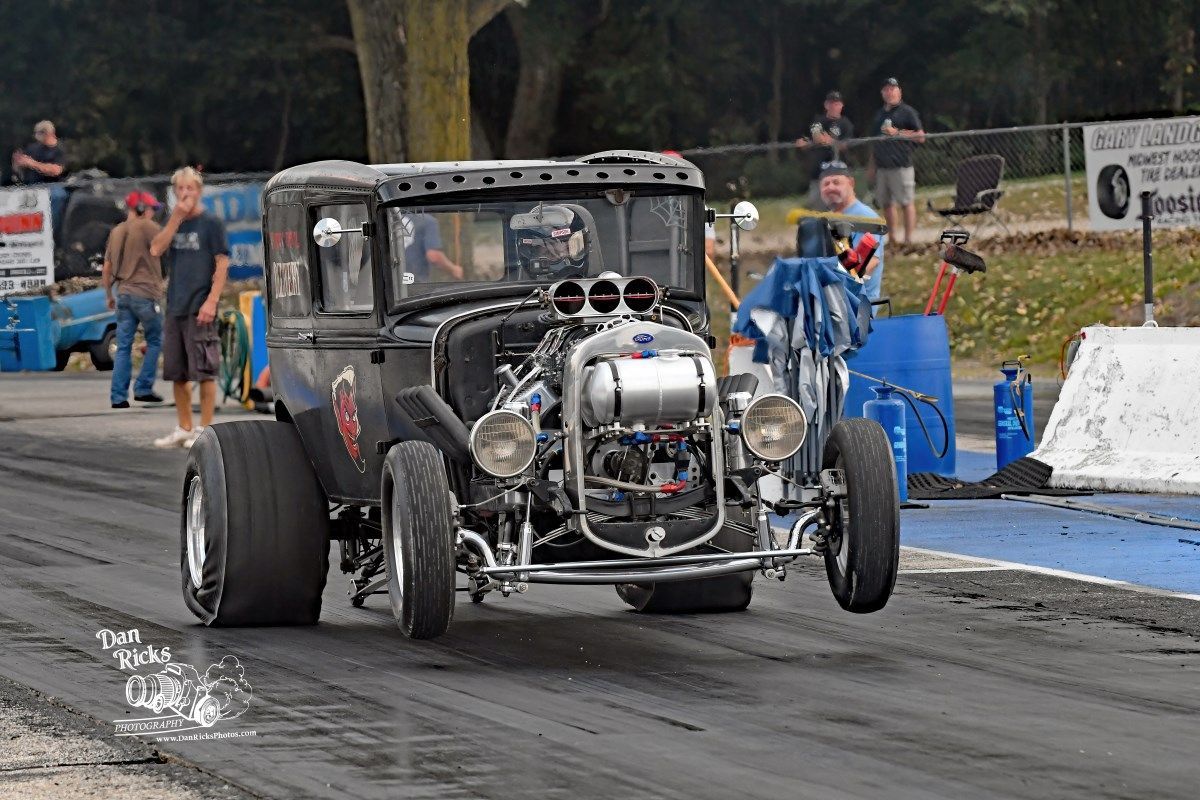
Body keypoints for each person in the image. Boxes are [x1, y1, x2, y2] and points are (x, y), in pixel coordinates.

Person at [150, 167, 230, 448]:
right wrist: (175, 218)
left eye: (190, 189)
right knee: (177, 370)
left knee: (204, 369)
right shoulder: (174, 222)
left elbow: (222, 263)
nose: (185, 194)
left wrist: (211, 301)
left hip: (201, 304)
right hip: (175, 304)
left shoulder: (211, 223)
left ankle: (204, 429)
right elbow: (156, 250)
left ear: (199, 191)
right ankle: (184, 426)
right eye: (180, 189)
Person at [103, 191, 165, 409]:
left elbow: (108, 267)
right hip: (146, 294)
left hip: (124, 294)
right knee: (157, 339)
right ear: (140, 208)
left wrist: (109, 295)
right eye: (151, 209)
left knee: (123, 347)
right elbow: (167, 245)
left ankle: (118, 396)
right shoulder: (149, 227)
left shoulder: (117, 231)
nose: (153, 213)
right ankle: (143, 387)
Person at [817, 161, 885, 302]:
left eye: (836, 182)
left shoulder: (865, 217)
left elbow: (869, 264)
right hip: (832, 298)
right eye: (826, 184)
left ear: (851, 183)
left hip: (857, 303)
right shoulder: (828, 218)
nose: (830, 187)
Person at [867, 78, 925, 244]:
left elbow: (921, 136)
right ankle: (892, 239)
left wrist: (897, 132)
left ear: (899, 91)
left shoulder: (907, 112)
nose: (889, 92)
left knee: (906, 203)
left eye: (893, 89)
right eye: (886, 89)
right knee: (887, 204)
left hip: (901, 165)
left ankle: (908, 240)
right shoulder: (879, 115)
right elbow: (873, 142)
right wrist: (871, 166)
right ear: (882, 93)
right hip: (882, 167)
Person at [796, 91, 855, 206]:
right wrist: (805, 143)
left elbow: (846, 145)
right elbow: (813, 137)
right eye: (831, 103)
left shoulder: (845, 124)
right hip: (818, 171)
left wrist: (831, 141)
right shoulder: (818, 120)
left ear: (841, 105)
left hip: (838, 171)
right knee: (816, 205)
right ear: (826, 105)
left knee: (840, 205)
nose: (834, 106)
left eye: (837, 104)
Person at [11, 120, 68, 229]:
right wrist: (18, 162)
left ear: (48, 133)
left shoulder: (60, 150)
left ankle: (52, 230)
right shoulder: (33, 148)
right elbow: (20, 167)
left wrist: (32, 163)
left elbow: (56, 170)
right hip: (32, 185)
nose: (35, 136)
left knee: (57, 196)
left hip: (52, 186)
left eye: (38, 133)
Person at [401, 212, 464, 281]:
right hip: (415, 284)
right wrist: (453, 269)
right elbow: (434, 256)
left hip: (392, 282)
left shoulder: (391, 217)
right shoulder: (428, 221)